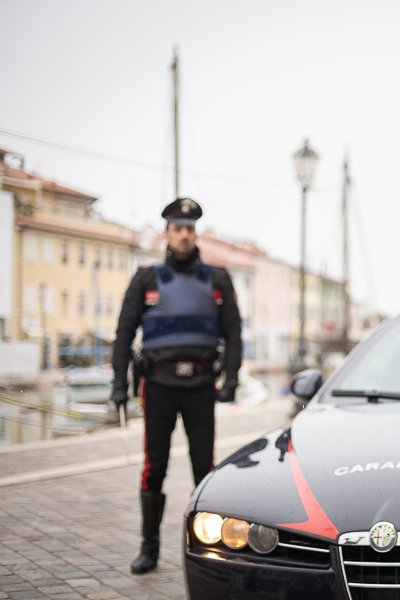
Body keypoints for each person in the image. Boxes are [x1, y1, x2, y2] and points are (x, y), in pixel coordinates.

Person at [110, 197, 242, 574]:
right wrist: (119, 383)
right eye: (177, 229)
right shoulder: (146, 278)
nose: (184, 235)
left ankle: (210, 549)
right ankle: (148, 549)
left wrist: (230, 378)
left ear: (195, 232)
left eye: (189, 228)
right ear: (166, 233)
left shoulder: (218, 278)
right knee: (155, 468)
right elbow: (123, 333)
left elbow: (233, 332)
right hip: (159, 386)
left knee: (205, 469)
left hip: (201, 385)